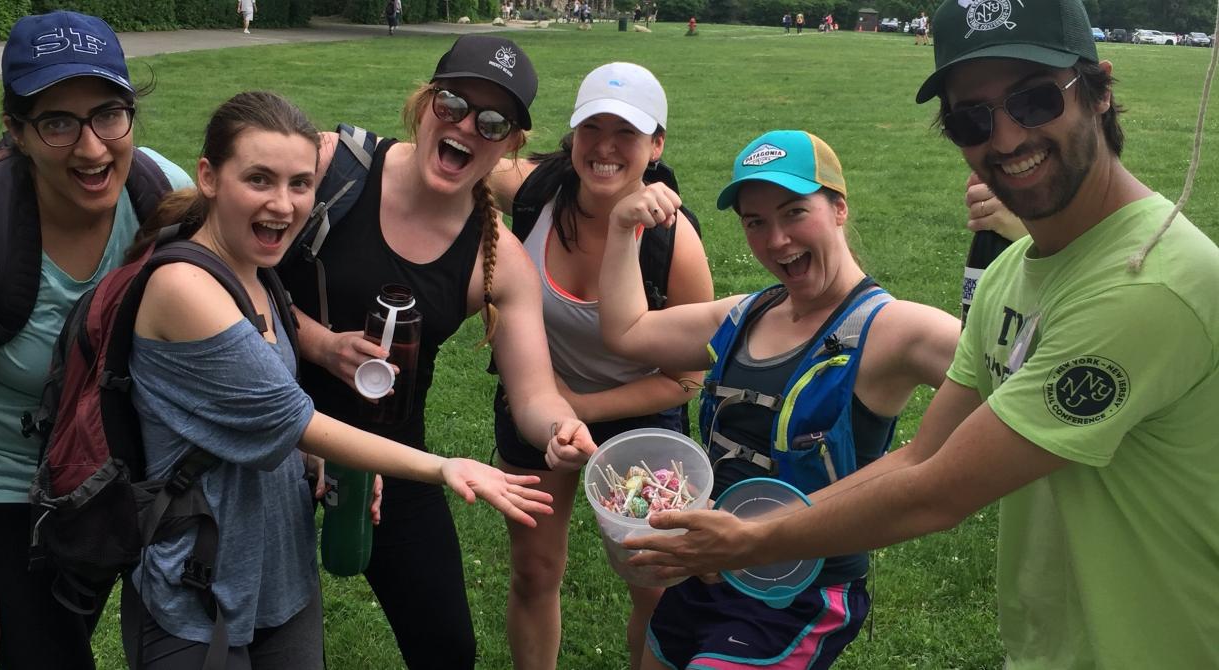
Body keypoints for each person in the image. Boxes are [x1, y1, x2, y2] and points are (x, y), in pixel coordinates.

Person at [624, 0, 1219, 666]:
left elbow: (940, 493)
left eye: (1033, 100)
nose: (1004, 139)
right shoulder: (1012, 274)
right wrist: (742, 530)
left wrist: (746, 543)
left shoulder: (1148, 286)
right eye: (971, 118)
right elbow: (919, 457)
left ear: (1100, 91)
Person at [118, 90, 551, 670]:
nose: (284, 203)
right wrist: (444, 466)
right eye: (259, 180)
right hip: (197, 587)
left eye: (299, 185)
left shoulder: (262, 276)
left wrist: (328, 463)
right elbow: (285, 417)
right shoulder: (184, 288)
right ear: (209, 177)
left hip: (278, 575)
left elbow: (250, 424)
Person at [275, 35, 597, 669]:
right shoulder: (331, 168)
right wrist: (320, 343)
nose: (466, 126)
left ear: (511, 144)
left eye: (494, 121)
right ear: (423, 104)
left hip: (393, 454)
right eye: (452, 103)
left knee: (447, 648)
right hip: (271, 434)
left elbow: (533, 393)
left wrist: (560, 426)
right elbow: (222, 273)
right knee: (250, 636)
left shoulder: (495, 259)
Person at [598, 129, 959, 670]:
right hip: (710, 568)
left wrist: (1005, 245)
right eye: (755, 222)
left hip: (800, 593)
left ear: (838, 208)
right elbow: (627, 331)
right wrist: (622, 227)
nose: (776, 240)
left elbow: (1009, 376)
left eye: (794, 213)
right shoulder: (744, 316)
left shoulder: (891, 329)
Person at [0, 11, 192, 668]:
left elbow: (243, 317)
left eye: (108, 114)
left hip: (132, 469)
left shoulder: (168, 195)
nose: (93, 148)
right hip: (12, 484)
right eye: (58, 122)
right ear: (16, 131)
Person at [486, 62, 713, 670]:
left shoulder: (674, 242)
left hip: (640, 415)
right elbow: (461, 162)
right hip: (537, 404)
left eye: (627, 133)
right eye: (593, 128)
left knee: (655, 588)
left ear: (656, 145)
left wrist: (582, 407)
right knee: (534, 571)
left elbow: (687, 377)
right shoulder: (537, 194)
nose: (605, 148)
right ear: (573, 134)